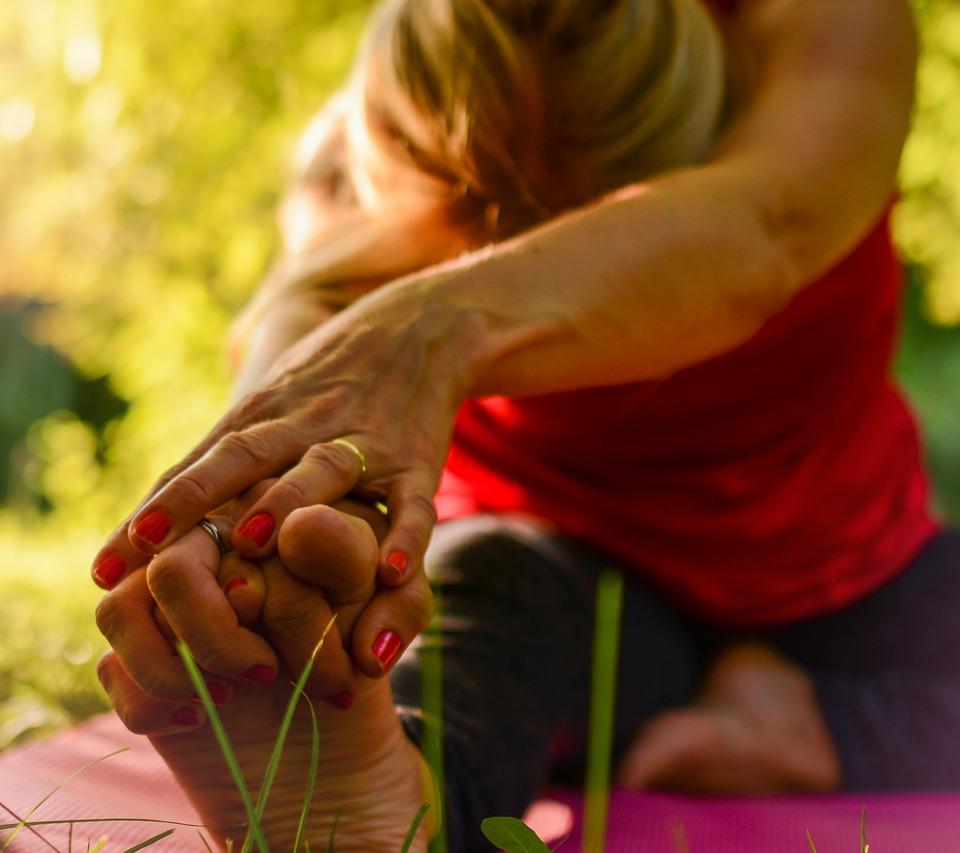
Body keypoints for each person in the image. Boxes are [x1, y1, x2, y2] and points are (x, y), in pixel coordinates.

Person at [89, 0, 948, 850]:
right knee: (489, 617)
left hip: (858, 581)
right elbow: (303, 328)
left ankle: (807, 722)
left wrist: (422, 326)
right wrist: (262, 543)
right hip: (566, 582)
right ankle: (375, 794)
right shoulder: (358, 155)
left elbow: (764, 226)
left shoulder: (823, 26)